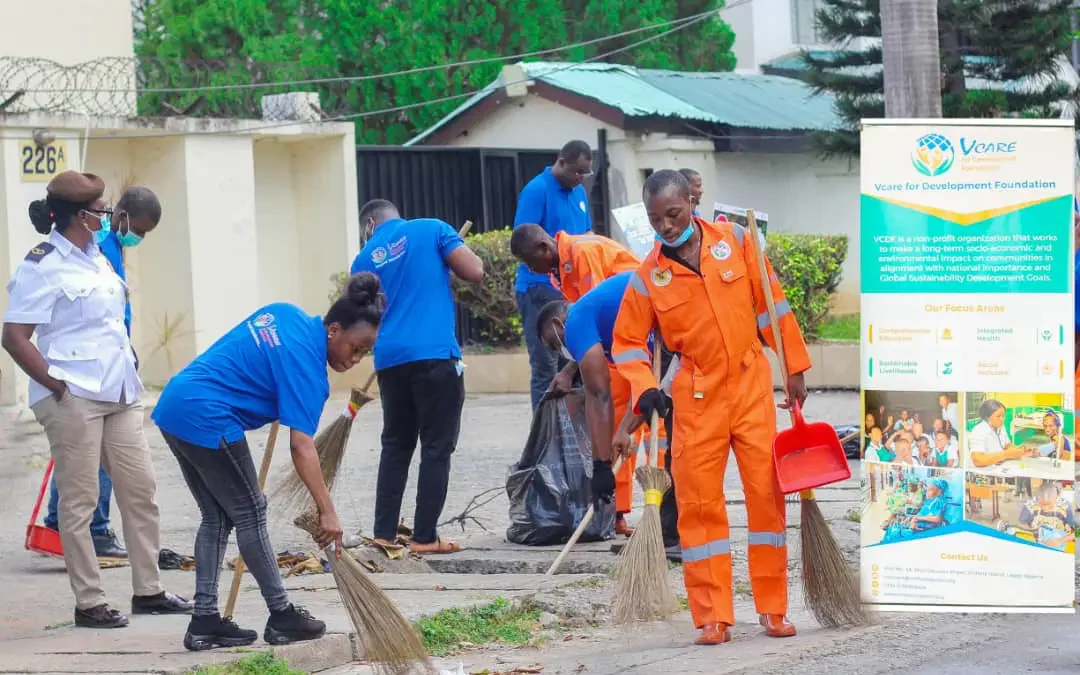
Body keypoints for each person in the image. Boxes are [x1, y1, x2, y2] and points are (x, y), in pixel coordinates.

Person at [611, 170, 809, 645]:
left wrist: (794, 366)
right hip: (696, 396)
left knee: (767, 497)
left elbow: (772, 304)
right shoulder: (648, 276)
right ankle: (711, 616)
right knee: (699, 507)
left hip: (751, 385)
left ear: (691, 203)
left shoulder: (737, 241)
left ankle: (773, 609)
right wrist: (644, 389)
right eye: (656, 219)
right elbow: (627, 344)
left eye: (673, 214)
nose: (666, 226)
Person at [152, 273, 386, 651]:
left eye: (364, 354)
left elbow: (254, 357)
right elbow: (302, 448)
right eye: (355, 347)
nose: (355, 359)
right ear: (334, 330)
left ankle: (205, 621)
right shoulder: (308, 370)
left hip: (176, 404)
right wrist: (327, 511)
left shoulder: (285, 313)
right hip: (208, 416)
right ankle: (282, 615)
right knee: (250, 510)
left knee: (218, 516)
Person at [2, 171, 191, 629]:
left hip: (119, 391)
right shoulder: (41, 265)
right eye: (101, 210)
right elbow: (14, 336)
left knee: (140, 491)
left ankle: (148, 590)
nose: (108, 215)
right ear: (82, 216)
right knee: (80, 502)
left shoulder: (99, 257)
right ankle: (89, 601)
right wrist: (56, 385)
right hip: (74, 396)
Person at [351, 199, 485, 555]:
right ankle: (425, 537)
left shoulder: (363, 259)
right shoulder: (432, 228)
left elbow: (361, 316)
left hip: (391, 360)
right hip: (435, 356)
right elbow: (475, 271)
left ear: (369, 225)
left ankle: (383, 533)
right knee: (437, 447)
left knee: (396, 445)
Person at [42, 186, 162, 561]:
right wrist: (54, 386)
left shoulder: (109, 246)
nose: (138, 238)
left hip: (115, 361)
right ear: (120, 215)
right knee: (96, 460)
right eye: (137, 229)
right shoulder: (95, 247)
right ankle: (93, 529)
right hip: (90, 371)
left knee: (92, 459)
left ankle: (57, 519)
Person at [534, 272, 679, 550]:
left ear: (557, 324)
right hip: (670, 338)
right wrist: (623, 431)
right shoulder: (605, 328)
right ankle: (671, 534)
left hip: (676, 330)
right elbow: (645, 386)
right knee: (676, 438)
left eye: (554, 344)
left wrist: (602, 465)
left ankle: (672, 536)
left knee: (679, 444)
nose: (562, 351)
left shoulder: (576, 322)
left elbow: (599, 395)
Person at [509, 223, 639, 397]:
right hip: (620, 327)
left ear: (543, 247)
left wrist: (569, 372)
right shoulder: (560, 271)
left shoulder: (581, 253)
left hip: (638, 318)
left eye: (530, 262)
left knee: (614, 392)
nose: (531, 269)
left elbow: (592, 325)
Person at [513, 140, 594, 411]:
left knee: (575, 365)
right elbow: (523, 242)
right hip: (539, 290)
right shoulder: (537, 191)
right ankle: (543, 444)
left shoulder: (579, 191)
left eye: (585, 173)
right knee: (545, 368)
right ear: (561, 162)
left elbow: (587, 236)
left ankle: (574, 444)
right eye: (577, 172)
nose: (581, 178)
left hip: (571, 289)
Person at [968, 399, 1036, 467]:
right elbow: (978, 460)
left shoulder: (1001, 427)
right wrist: (1005, 454)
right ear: (987, 417)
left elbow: (1007, 445)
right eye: (998, 416)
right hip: (985, 469)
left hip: (1000, 465)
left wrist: (1019, 450)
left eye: (1003, 416)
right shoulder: (979, 430)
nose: (1002, 419)